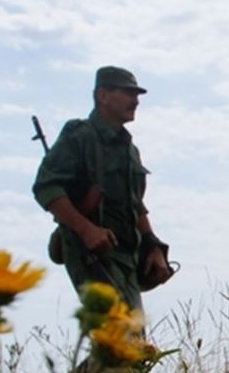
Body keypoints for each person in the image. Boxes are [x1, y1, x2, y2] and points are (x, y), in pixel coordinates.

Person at [32, 65, 172, 314]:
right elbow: (47, 187)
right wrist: (87, 230)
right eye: (128, 93)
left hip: (127, 258)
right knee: (114, 330)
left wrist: (152, 245)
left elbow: (136, 205)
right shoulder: (80, 135)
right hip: (90, 253)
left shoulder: (129, 149)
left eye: (136, 95)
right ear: (103, 96)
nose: (135, 101)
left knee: (132, 335)